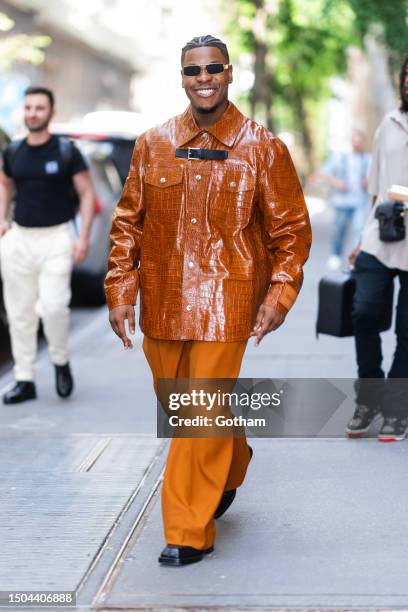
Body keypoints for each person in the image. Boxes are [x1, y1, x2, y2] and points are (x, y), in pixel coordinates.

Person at [105, 35, 311, 566]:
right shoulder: (152, 144)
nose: (204, 78)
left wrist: (279, 294)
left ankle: (186, 531)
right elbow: (128, 223)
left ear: (229, 73)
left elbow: (291, 231)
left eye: (213, 68)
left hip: (229, 299)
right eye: (193, 70)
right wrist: (120, 291)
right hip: (165, 300)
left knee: (196, 416)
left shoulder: (263, 147)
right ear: (182, 77)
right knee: (188, 410)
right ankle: (233, 461)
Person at [0, 86, 96, 404]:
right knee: (20, 313)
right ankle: (24, 379)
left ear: (51, 113)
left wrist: (82, 237)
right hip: (19, 238)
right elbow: (5, 184)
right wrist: (2, 219)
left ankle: (60, 360)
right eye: (28, 108)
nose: (32, 113)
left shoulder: (66, 152)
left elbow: (86, 195)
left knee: (54, 307)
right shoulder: (13, 152)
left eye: (39, 108)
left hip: (57, 238)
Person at [346, 56, 408, 442]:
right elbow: (374, 188)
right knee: (364, 312)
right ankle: (369, 397)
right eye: (407, 75)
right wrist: (360, 239)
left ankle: (398, 409)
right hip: (380, 235)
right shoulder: (389, 124)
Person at [319, 131, 371, 270]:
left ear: (363, 143)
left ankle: (353, 259)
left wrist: (367, 182)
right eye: (355, 141)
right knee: (338, 230)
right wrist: (338, 183)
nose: (357, 143)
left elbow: (372, 177)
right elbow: (326, 173)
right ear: (352, 142)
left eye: (360, 141)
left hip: (359, 202)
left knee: (358, 230)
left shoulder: (367, 160)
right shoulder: (341, 158)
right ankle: (336, 255)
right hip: (341, 202)